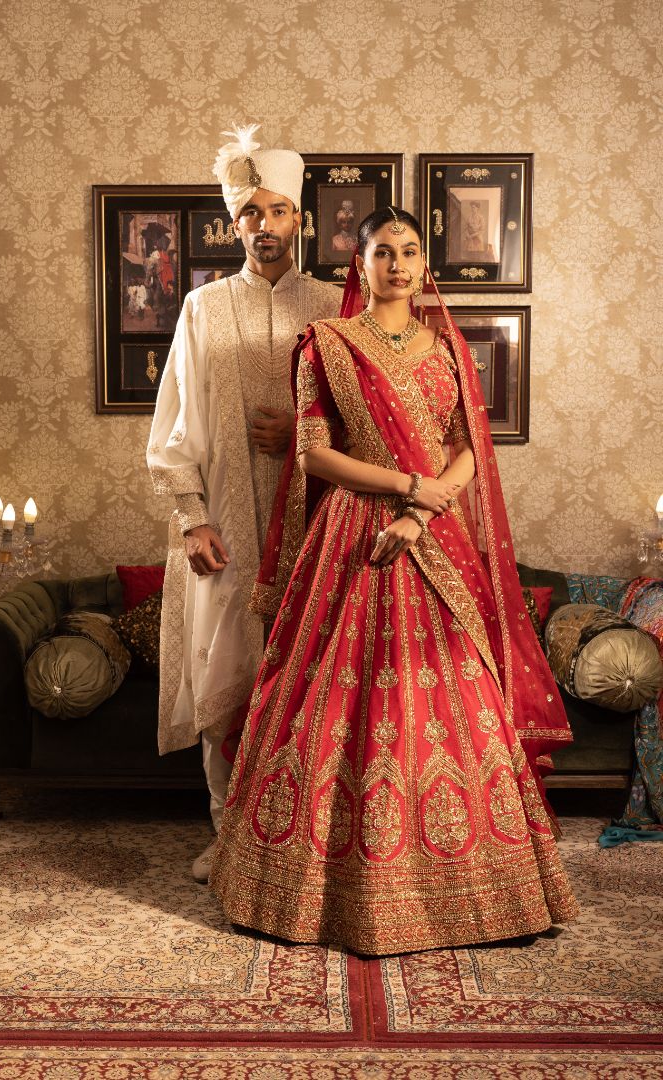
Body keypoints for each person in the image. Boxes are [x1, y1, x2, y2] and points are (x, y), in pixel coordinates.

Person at [209, 206, 579, 955]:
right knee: (336, 699)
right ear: (361, 263)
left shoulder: (448, 351)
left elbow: (466, 445)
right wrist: (411, 484)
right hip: (352, 536)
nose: (400, 265)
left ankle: (478, 894)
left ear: (424, 265)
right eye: (384, 252)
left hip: (427, 535)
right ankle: (314, 895)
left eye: (411, 252)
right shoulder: (328, 343)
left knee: (453, 700)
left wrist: (421, 508)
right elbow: (312, 453)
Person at [147, 124, 340, 883]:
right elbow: (174, 423)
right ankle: (228, 838)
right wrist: (191, 518)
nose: (265, 227)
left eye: (278, 212)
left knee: (308, 688)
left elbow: (362, 417)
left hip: (315, 530)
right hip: (224, 530)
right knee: (226, 685)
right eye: (250, 214)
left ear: (300, 219)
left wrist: (303, 431)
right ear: (236, 225)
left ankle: (297, 841)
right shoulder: (201, 308)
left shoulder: (332, 306)